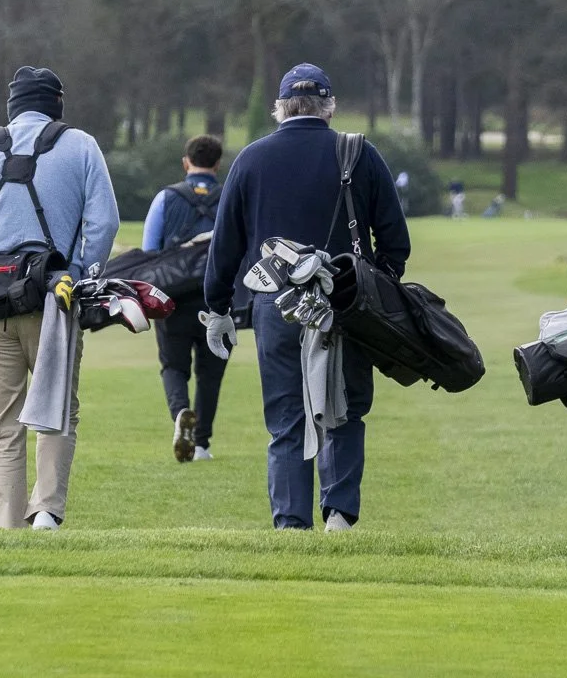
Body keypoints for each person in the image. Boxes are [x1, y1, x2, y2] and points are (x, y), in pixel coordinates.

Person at [200, 63, 410, 531]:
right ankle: (338, 513)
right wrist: (379, 286)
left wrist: (217, 309)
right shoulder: (359, 153)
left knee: (286, 415)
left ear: (280, 107)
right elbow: (396, 241)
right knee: (346, 406)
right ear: (328, 106)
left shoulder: (250, 159)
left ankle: (291, 522)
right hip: (349, 304)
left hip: (275, 304)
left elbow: (225, 246)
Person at [0, 65, 119, 532]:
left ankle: (4, 524)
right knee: (56, 410)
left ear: (13, 105)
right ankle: (46, 513)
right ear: (57, 103)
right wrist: (78, 273)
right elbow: (104, 224)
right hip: (54, 299)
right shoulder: (81, 146)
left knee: (3, 420)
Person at [142, 134, 227, 463]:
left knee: (174, 367)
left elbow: (151, 251)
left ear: (186, 162)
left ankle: (181, 413)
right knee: (211, 373)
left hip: (172, 299)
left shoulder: (166, 198)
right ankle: (202, 443)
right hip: (217, 298)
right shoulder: (230, 198)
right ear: (218, 164)